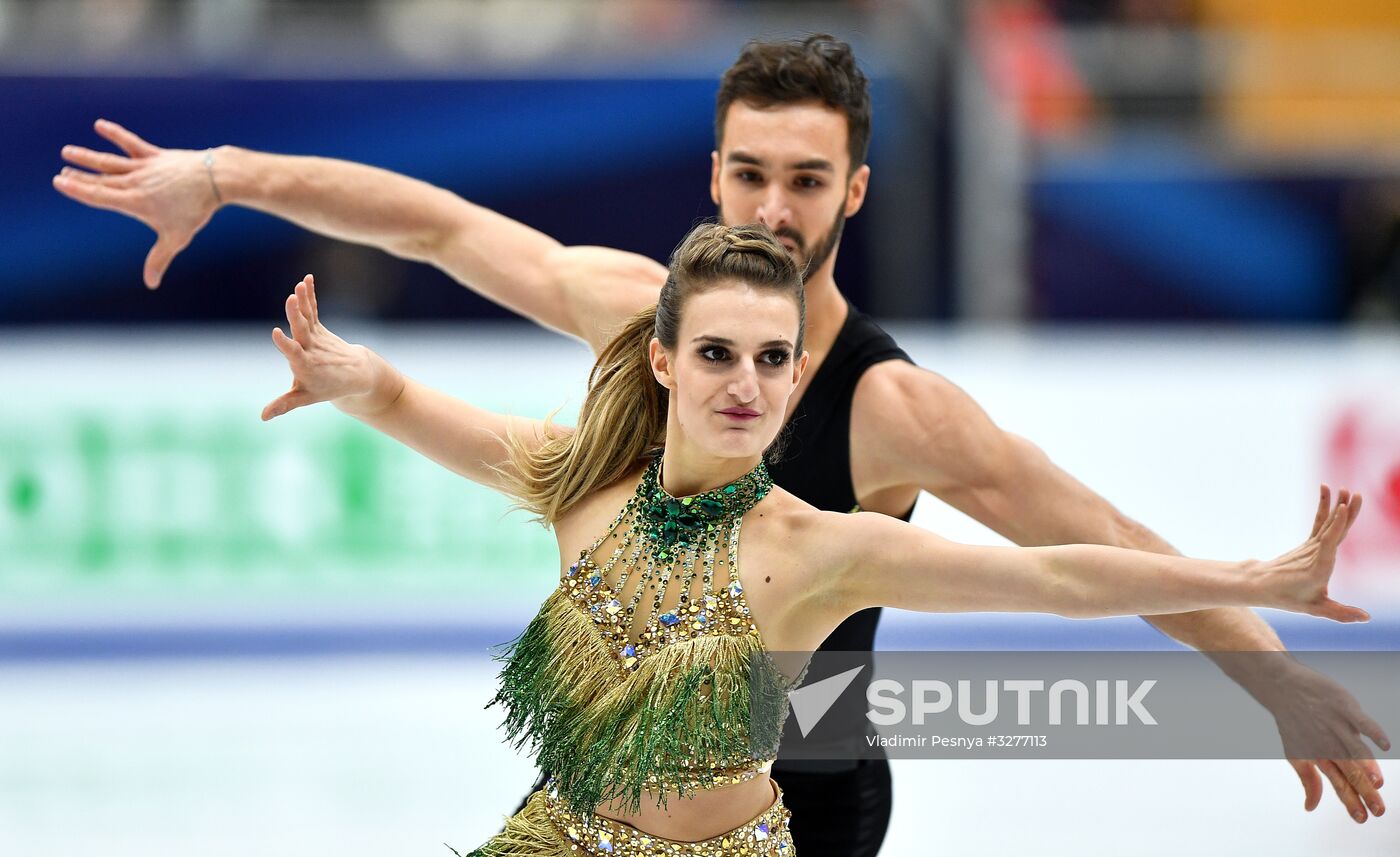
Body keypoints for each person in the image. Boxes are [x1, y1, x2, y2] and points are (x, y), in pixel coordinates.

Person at [53, 35, 1389, 846]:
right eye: (750, 173)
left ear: (855, 190)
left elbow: (1092, 552)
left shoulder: (895, 408)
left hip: (797, 792)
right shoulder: (636, 307)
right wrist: (225, 173)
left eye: (807, 180)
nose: (775, 203)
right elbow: (437, 224)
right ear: (713, 177)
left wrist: (1270, 678)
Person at [261, 222, 1369, 856]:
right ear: (661, 360)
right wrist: (352, 378)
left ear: (797, 373)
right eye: (715, 354)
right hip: (559, 837)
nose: (745, 383)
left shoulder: (817, 546)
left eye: (772, 357)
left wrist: (1248, 575)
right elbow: (415, 405)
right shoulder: (581, 482)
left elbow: (1056, 572)